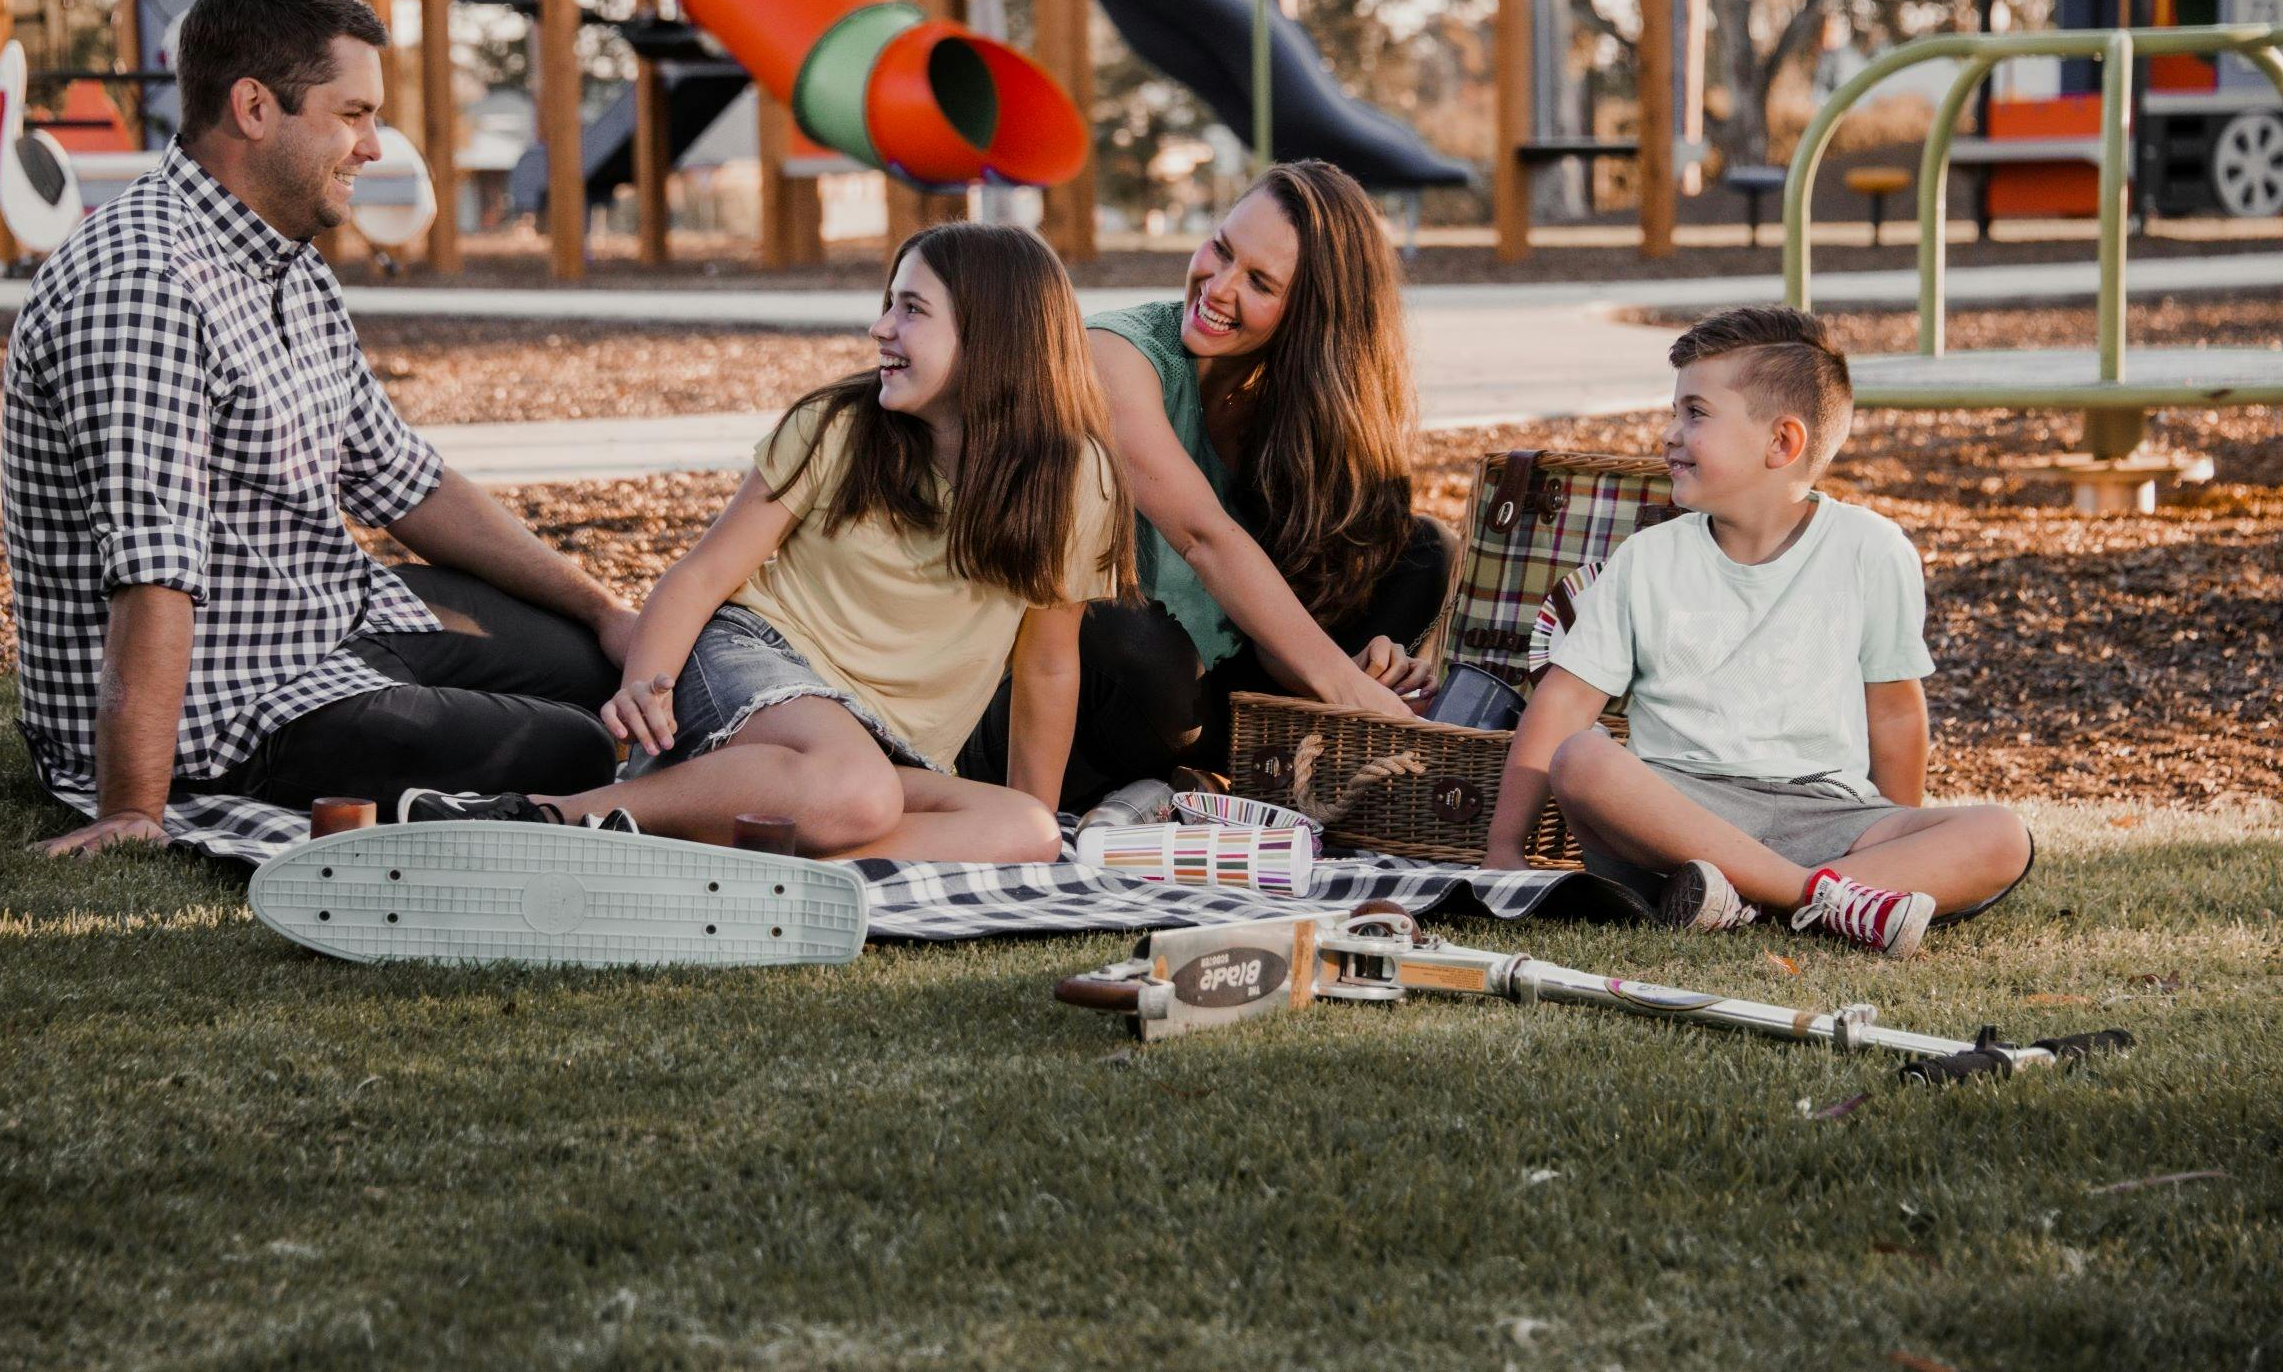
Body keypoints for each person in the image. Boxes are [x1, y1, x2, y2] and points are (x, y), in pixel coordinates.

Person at [5, 0, 637, 859]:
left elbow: (401, 478)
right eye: (353, 114)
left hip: (323, 622)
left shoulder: (286, 258)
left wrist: (606, 608)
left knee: (601, 665)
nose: (375, 146)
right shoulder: (144, 284)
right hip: (223, 712)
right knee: (575, 745)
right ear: (255, 108)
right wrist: (133, 809)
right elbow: (154, 572)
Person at [402, 222, 1133, 862]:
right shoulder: (838, 427)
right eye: (889, 304)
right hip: (757, 660)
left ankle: (738, 849)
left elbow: (1046, 667)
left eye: (911, 310)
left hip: (883, 751)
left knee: (1027, 831)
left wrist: (1041, 831)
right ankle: (548, 816)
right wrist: (645, 684)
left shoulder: (1076, 481)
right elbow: (704, 573)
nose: (881, 329)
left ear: (995, 339)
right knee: (855, 791)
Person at [1482, 306, 2033, 958]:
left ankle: (1747, 898)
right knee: (1583, 758)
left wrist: (1896, 828)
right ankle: (1831, 899)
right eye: (1674, 412)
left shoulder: (1872, 549)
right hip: (1677, 820)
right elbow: (1563, 705)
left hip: (1826, 814)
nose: (1668, 434)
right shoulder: (1646, 560)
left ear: (1782, 443)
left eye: (1695, 413)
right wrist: (1502, 848)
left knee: (2004, 835)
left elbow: (1893, 713)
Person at [958, 159, 1447, 811]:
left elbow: (1282, 617)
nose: (1217, 285)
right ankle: (1222, 777)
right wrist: (1346, 688)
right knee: (1132, 641)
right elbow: (1202, 537)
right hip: (1061, 698)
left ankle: (1246, 772)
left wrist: (1376, 661)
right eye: (1220, 248)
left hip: (1207, 704)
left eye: (1259, 281)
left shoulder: (1298, 415)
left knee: (1421, 548)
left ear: (1311, 318)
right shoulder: (1116, 356)